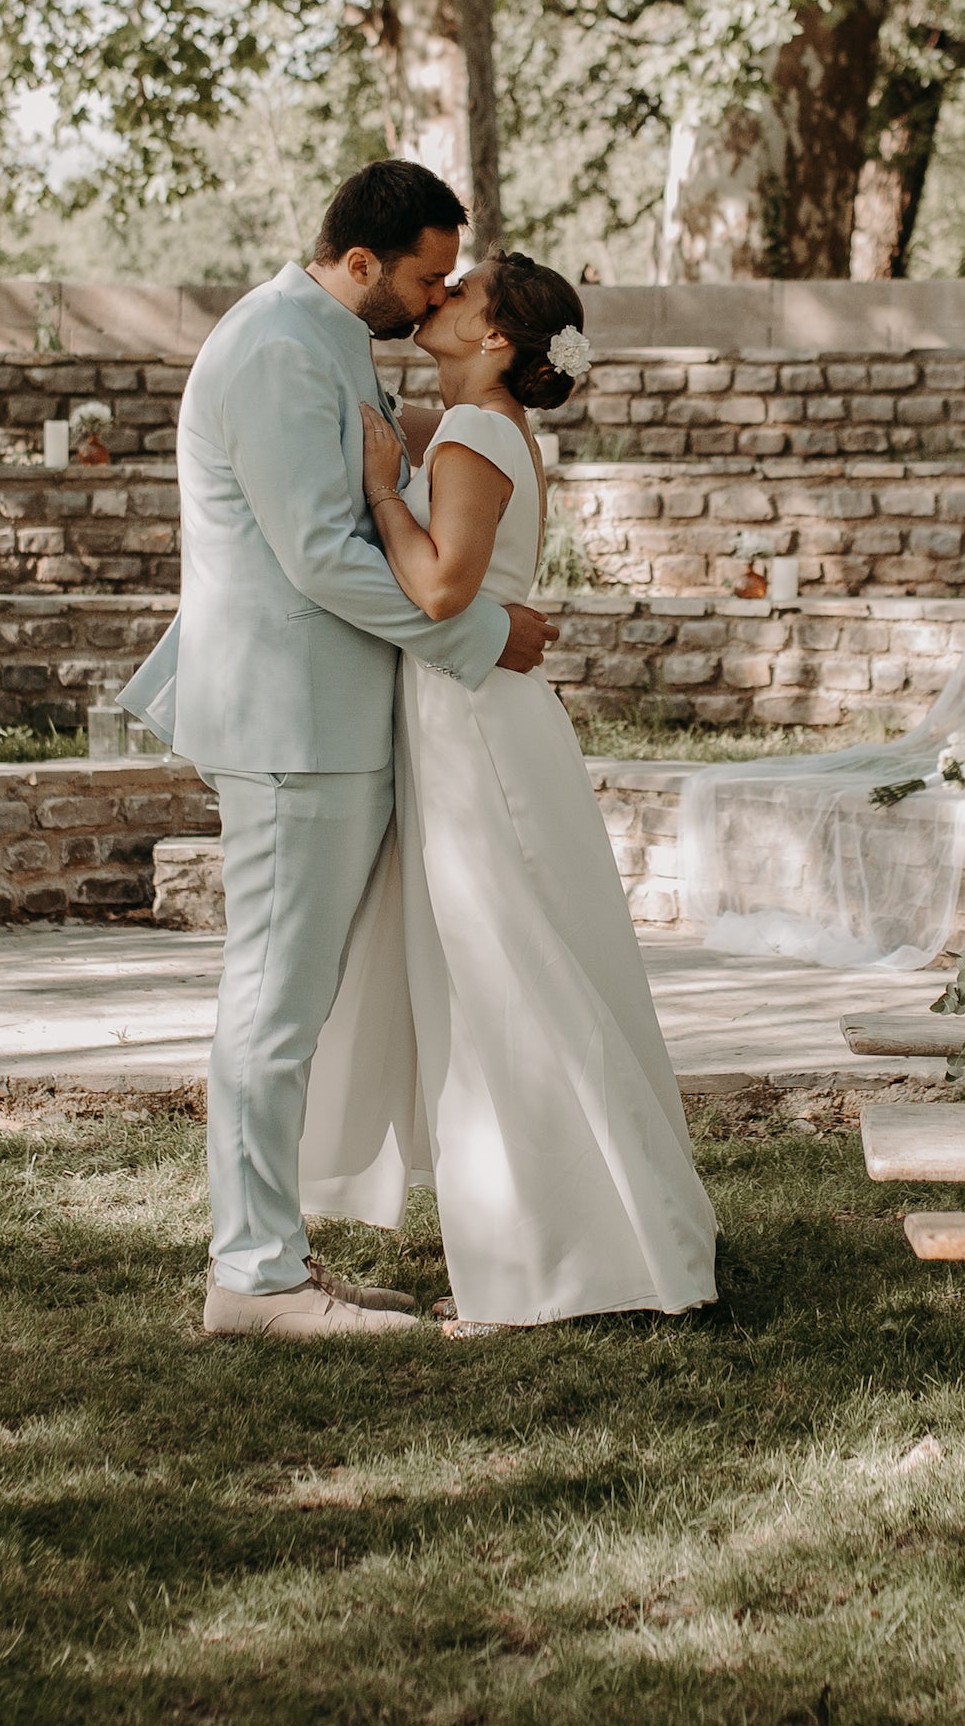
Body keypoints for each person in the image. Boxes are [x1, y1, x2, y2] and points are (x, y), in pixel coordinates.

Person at [165, 161, 553, 1338]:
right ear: (359, 263)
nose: (434, 298)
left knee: (297, 996)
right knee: (272, 999)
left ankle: (275, 1252)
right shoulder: (281, 347)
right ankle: (253, 1277)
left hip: (336, 717)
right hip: (290, 720)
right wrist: (484, 635)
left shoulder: (326, 332)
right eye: (427, 275)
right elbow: (321, 558)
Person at [299, 252, 717, 1328]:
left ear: (494, 342)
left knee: (510, 977)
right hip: (470, 713)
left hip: (475, 722)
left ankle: (564, 1256)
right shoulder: (486, 424)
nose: (435, 300)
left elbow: (442, 589)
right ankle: (555, 1237)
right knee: (509, 975)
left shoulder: (476, 429)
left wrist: (383, 485)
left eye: (461, 294)